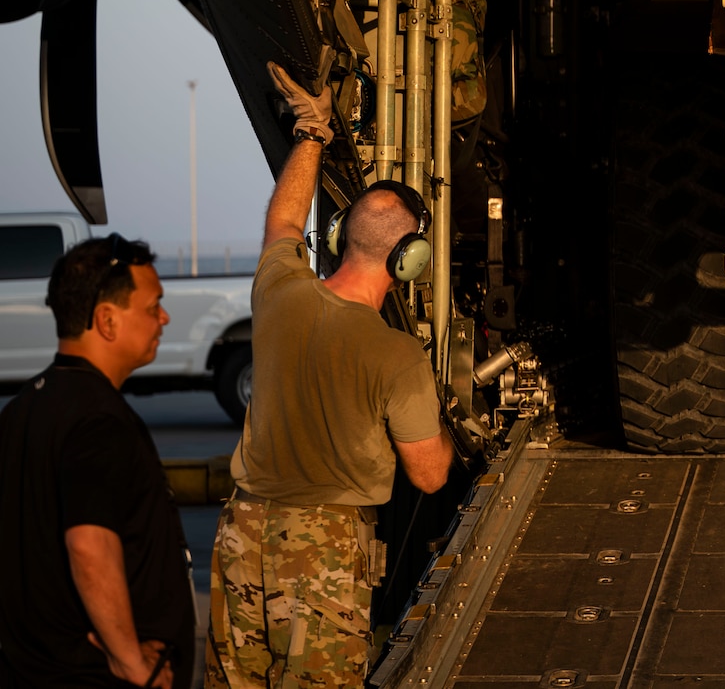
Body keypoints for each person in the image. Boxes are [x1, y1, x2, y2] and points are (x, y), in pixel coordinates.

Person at [207, 64, 454, 689]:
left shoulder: (280, 291)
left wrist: (312, 131)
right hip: (321, 544)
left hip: (243, 529)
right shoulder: (397, 356)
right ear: (411, 259)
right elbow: (429, 474)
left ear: (342, 235)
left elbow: (284, 225)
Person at [0, 236, 193, 689]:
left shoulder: (20, 411)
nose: (163, 318)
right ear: (106, 320)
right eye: (152, 307)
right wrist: (131, 662)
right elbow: (89, 544)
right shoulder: (100, 423)